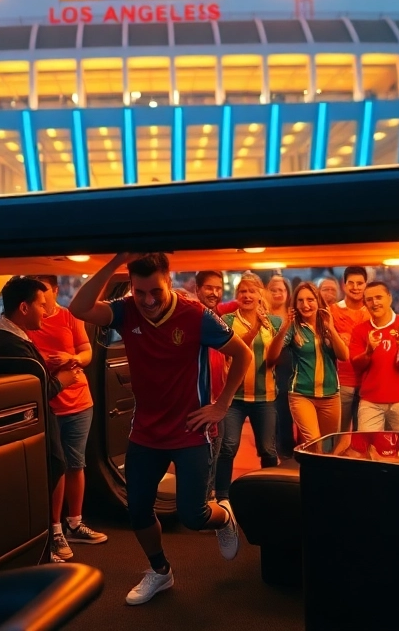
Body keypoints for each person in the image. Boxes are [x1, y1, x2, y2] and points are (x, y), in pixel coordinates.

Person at [69, 253, 253, 606]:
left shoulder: (196, 315)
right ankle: (160, 570)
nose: (149, 300)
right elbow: (79, 307)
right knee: (137, 510)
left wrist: (221, 405)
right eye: (140, 292)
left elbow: (243, 354)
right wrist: (115, 262)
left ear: (169, 282)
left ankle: (224, 516)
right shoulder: (126, 311)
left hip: (190, 431)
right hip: (146, 433)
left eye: (156, 290)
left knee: (194, 516)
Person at [0, 277, 72, 563]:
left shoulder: (13, 338)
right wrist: (64, 379)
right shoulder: (8, 344)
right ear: (23, 307)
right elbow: (36, 391)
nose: (46, 311)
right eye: (41, 306)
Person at [25, 275, 107, 557]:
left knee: (75, 463)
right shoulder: (26, 322)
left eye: (45, 289)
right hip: (47, 401)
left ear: (55, 290)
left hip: (78, 400)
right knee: (52, 467)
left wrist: (71, 358)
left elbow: (86, 352)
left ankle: (74, 522)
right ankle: (54, 528)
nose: (41, 294)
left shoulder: (69, 316)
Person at [213, 272, 281, 504]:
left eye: (252, 291)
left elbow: (277, 356)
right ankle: (222, 495)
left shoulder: (273, 322)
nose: (247, 295)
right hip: (234, 397)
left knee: (268, 449)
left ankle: (271, 495)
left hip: (265, 396)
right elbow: (236, 350)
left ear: (260, 295)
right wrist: (255, 328)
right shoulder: (227, 320)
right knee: (228, 447)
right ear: (237, 295)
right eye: (243, 291)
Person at [267, 281, 348, 445]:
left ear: (318, 301)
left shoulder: (328, 323)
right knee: (313, 442)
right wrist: (284, 327)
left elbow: (344, 355)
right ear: (295, 304)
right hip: (301, 395)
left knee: (327, 446)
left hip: (330, 395)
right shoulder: (293, 327)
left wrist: (331, 329)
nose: (305, 305)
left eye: (310, 300)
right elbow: (271, 357)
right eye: (300, 300)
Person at [349, 281, 399, 432]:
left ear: (389, 298)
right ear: (365, 303)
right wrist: (369, 352)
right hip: (370, 401)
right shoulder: (360, 330)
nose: (374, 303)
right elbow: (356, 366)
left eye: (378, 297)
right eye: (369, 299)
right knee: (369, 445)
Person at [193, 270, 230, 503]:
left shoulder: (217, 318)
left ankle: (206, 502)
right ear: (197, 289)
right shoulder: (193, 317)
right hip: (200, 403)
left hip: (218, 400)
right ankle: (201, 507)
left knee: (213, 456)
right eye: (209, 287)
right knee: (203, 460)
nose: (214, 293)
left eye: (218, 288)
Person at [332, 266, 371, 432]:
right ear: (344, 285)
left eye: (360, 283)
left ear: (365, 285)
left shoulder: (373, 311)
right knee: (337, 434)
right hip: (341, 383)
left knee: (362, 436)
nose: (355, 287)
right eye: (351, 283)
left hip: (368, 383)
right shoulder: (332, 311)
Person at [265, 274, 296, 457]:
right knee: (277, 417)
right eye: (273, 290)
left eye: (281, 290)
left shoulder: (294, 314)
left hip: (293, 372)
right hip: (268, 371)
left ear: (287, 292)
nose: (277, 293)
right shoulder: (262, 316)